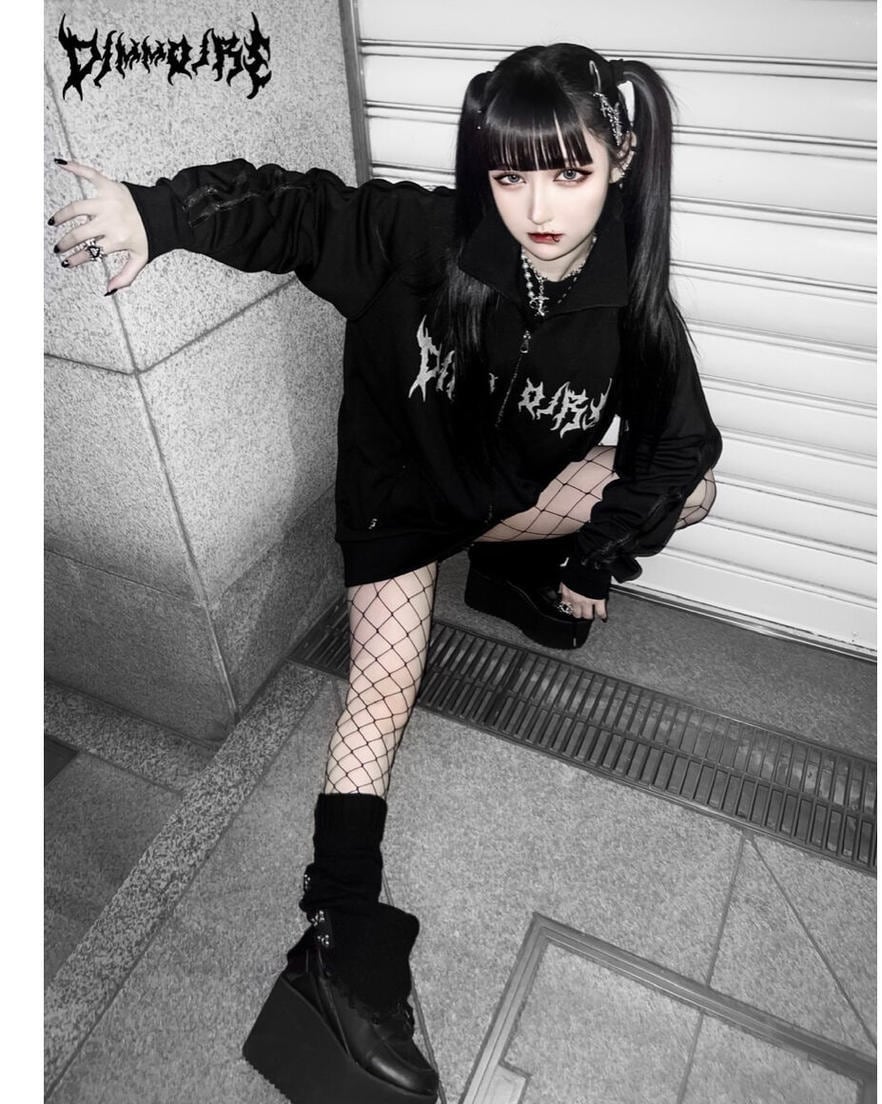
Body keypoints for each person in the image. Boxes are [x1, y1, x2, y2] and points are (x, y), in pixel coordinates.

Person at [49, 43, 721, 1104]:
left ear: (620, 160)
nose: (538, 208)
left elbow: (675, 450)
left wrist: (593, 560)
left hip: (498, 501)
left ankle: (514, 570)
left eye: (569, 172)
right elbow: (299, 210)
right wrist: (159, 212)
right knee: (381, 695)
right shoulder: (426, 239)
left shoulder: (631, 305)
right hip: (399, 505)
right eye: (511, 175)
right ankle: (335, 930)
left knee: (693, 490)